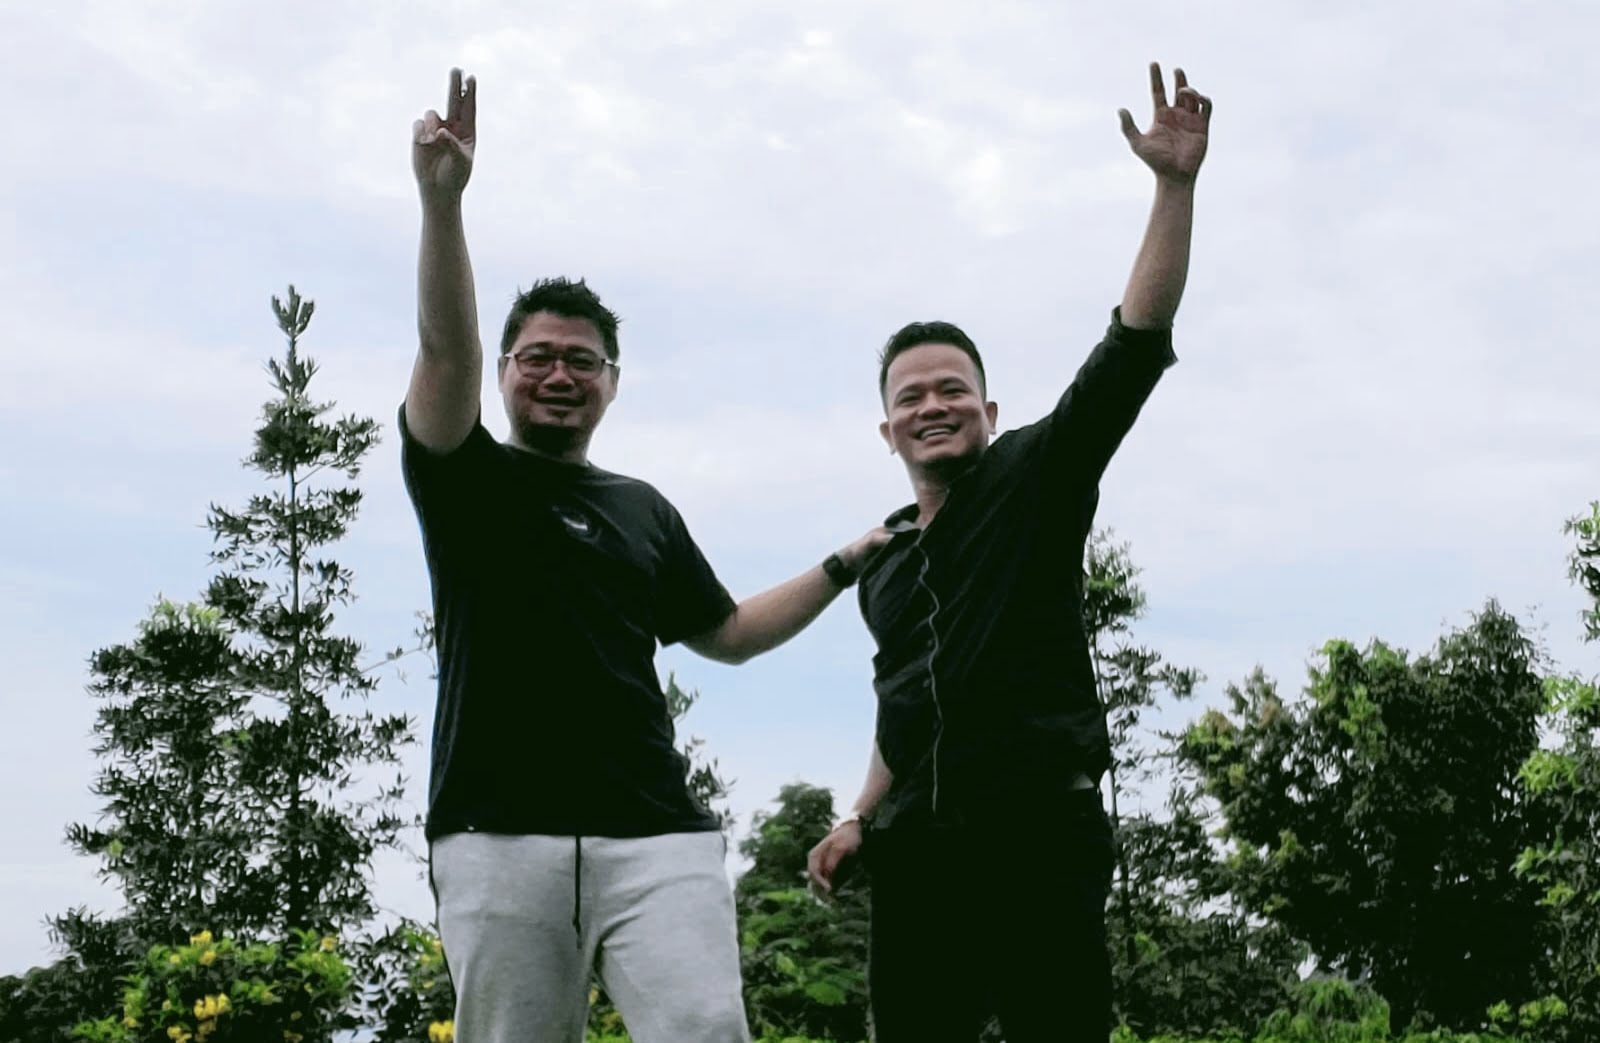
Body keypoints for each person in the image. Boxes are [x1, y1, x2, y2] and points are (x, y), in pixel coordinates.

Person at [402, 69, 886, 1043]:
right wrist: (443, 203)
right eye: (538, 356)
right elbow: (446, 352)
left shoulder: (641, 509)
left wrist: (846, 560)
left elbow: (728, 632)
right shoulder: (464, 474)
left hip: (655, 832)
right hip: (497, 831)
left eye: (581, 360)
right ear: (505, 373)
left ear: (612, 382)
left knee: (706, 1027)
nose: (559, 373)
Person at [806, 62, 1214, 1042]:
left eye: (952, 389)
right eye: (911, 396)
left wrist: (1173, 187)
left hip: (1039, 836)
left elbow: (1133, 343)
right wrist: (857, 813)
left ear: (987, 410)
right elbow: (901, 702)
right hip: (916, 856)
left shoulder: (1037, 474)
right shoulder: (884, 559)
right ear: (888, 431)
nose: (933, 404)